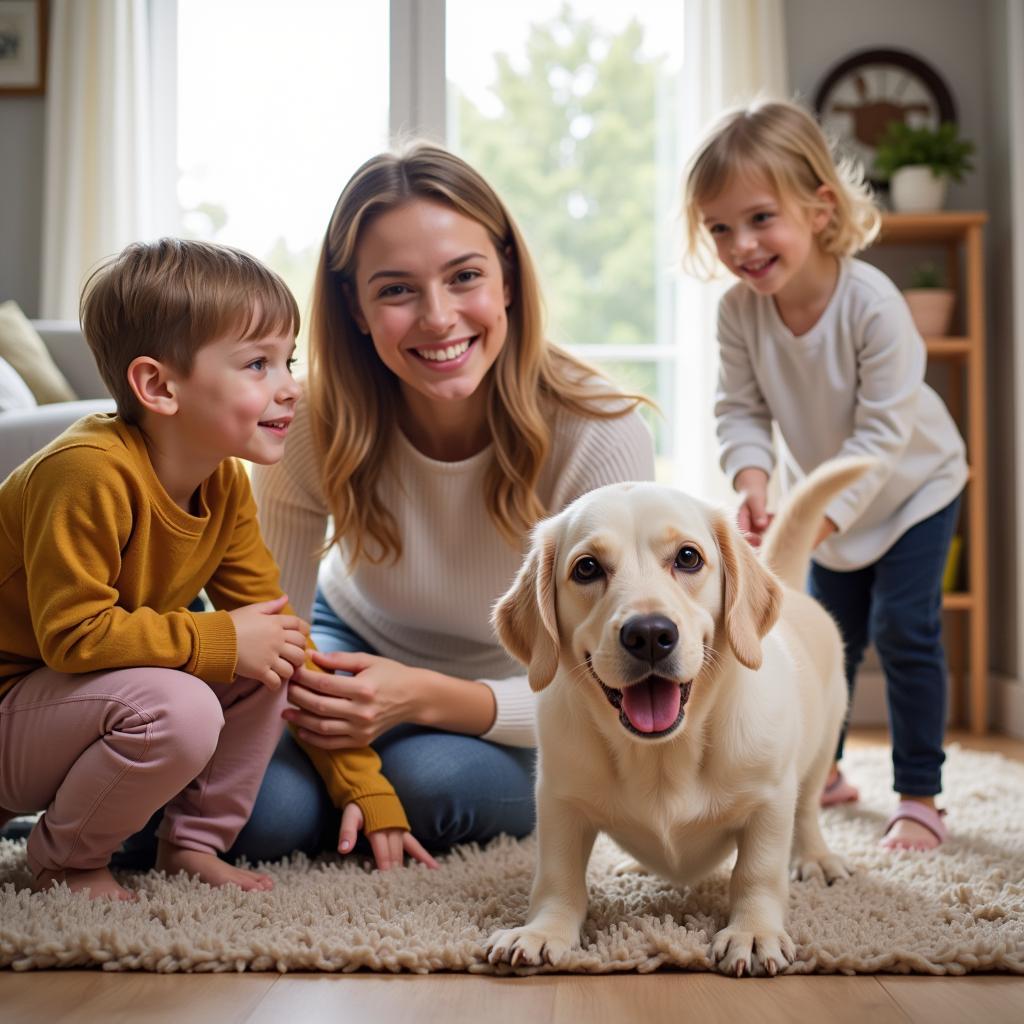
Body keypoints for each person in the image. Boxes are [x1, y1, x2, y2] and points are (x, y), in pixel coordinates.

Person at [230, 142, 656, 862]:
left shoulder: (599, 431)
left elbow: (600, 685)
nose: (437, 317)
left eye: (465, 277)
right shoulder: (307, 420)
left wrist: (421, 698)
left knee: (429, 786)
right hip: (346, 645)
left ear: (509, 280)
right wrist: (336, 752)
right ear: (355, 308)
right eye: (396, 290)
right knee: (261, 812)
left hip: (526, 688)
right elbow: (276, 630)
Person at [0, 239, 430, 900]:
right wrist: (222, 641)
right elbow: (73, 636)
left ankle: (191, 845)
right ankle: (64, 862)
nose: (289, 386)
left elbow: (287, 642)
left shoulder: (223, 485)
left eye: (287, 360)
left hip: (62, 707)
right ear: (159, 387)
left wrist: (365, 787)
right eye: (258, 364)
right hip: (16, 704)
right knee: (184, 705)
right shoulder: (84, 471)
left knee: (272, 653)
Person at [682, 99, 968, 851]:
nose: (740, 244)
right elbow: (739, 409)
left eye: (759, 218)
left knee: (904, 630)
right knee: (821, 640)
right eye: (718, 227)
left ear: (819, 208)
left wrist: (820, 519)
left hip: (913, 491)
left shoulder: (872, 306)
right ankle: (824, 772)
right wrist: (752, 482)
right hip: (826, 506)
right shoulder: (740, 315)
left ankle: (919, 794)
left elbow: (884, 432)